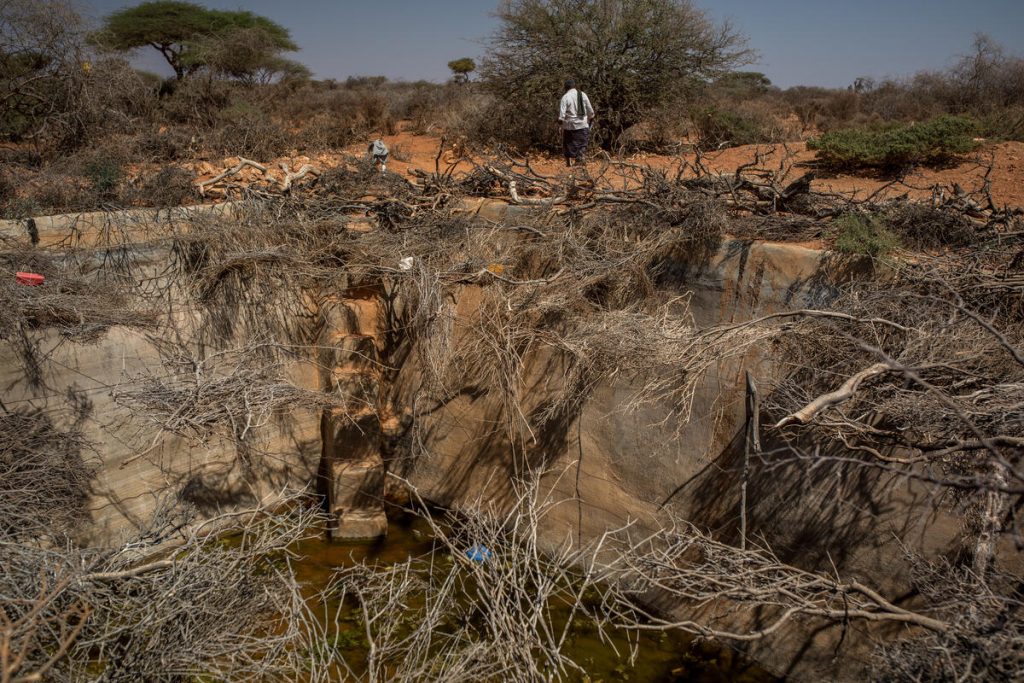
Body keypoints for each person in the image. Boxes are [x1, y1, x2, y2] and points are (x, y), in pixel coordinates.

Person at [557, 79, 595, 167]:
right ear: (574, 86)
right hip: (582, 125)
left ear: (565, 87)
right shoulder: (583, 95)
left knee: (568, 144)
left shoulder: (565, 97)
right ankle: (580, 159)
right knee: (582, 144)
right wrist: (590, 123)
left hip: (569, 126)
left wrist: (560, 125)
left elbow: (561, 116)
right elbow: (591, 112)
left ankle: (568, 163)